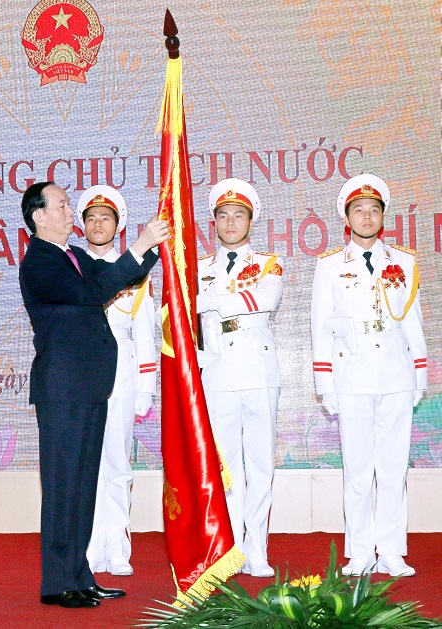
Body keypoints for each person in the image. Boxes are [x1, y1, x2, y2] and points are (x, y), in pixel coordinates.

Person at [19, 181, 168, 608]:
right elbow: (94, 292)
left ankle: (80, 576)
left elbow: (115, 275)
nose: (72, 212)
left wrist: (155, 246)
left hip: (88, 385)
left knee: (84, 486)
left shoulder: (74, 255)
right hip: (63, 389)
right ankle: (56, 583)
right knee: (63, 486)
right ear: (39, 216)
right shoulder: (39, 262)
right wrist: (140, 243)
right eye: (63, 205)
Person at [311, 174, 426, 577]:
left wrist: (420, 374)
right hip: (352, 375)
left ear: (382, 217)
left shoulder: (403, 262)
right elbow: (320, 326)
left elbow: (412, 321)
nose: (366, 216)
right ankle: (360, 552)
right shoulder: (329, 266)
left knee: (393, 468)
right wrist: (325, 383)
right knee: (358, 469)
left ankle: (392, 551)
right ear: (347, 218)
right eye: (358, 210)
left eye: (374, 210)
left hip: (395, 373)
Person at [195, 179, 283, 578]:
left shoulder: (268, 263)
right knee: (225, 468)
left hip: (258, 371)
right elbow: (182, 315)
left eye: (239, 215)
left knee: (261, 464)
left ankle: (257, 549)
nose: (231, 223)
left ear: (251, 221)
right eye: (224, 216)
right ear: (214, 222)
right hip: (217, 372)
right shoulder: (198, 268)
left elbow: (264, 300)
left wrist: (210, 301)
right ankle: (230, 549)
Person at [78, 186, 156, 577]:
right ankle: (91, 547)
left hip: (121, 376)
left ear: (118, 225)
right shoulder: (73, 267)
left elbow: (144, 333)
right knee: (87, 466)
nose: (98, 224)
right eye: (91, 218)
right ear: (82, 226)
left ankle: (118, 547)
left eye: (105, 218)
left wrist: (146, 387)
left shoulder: (135, 271)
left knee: (118, 464)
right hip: (81, 379)